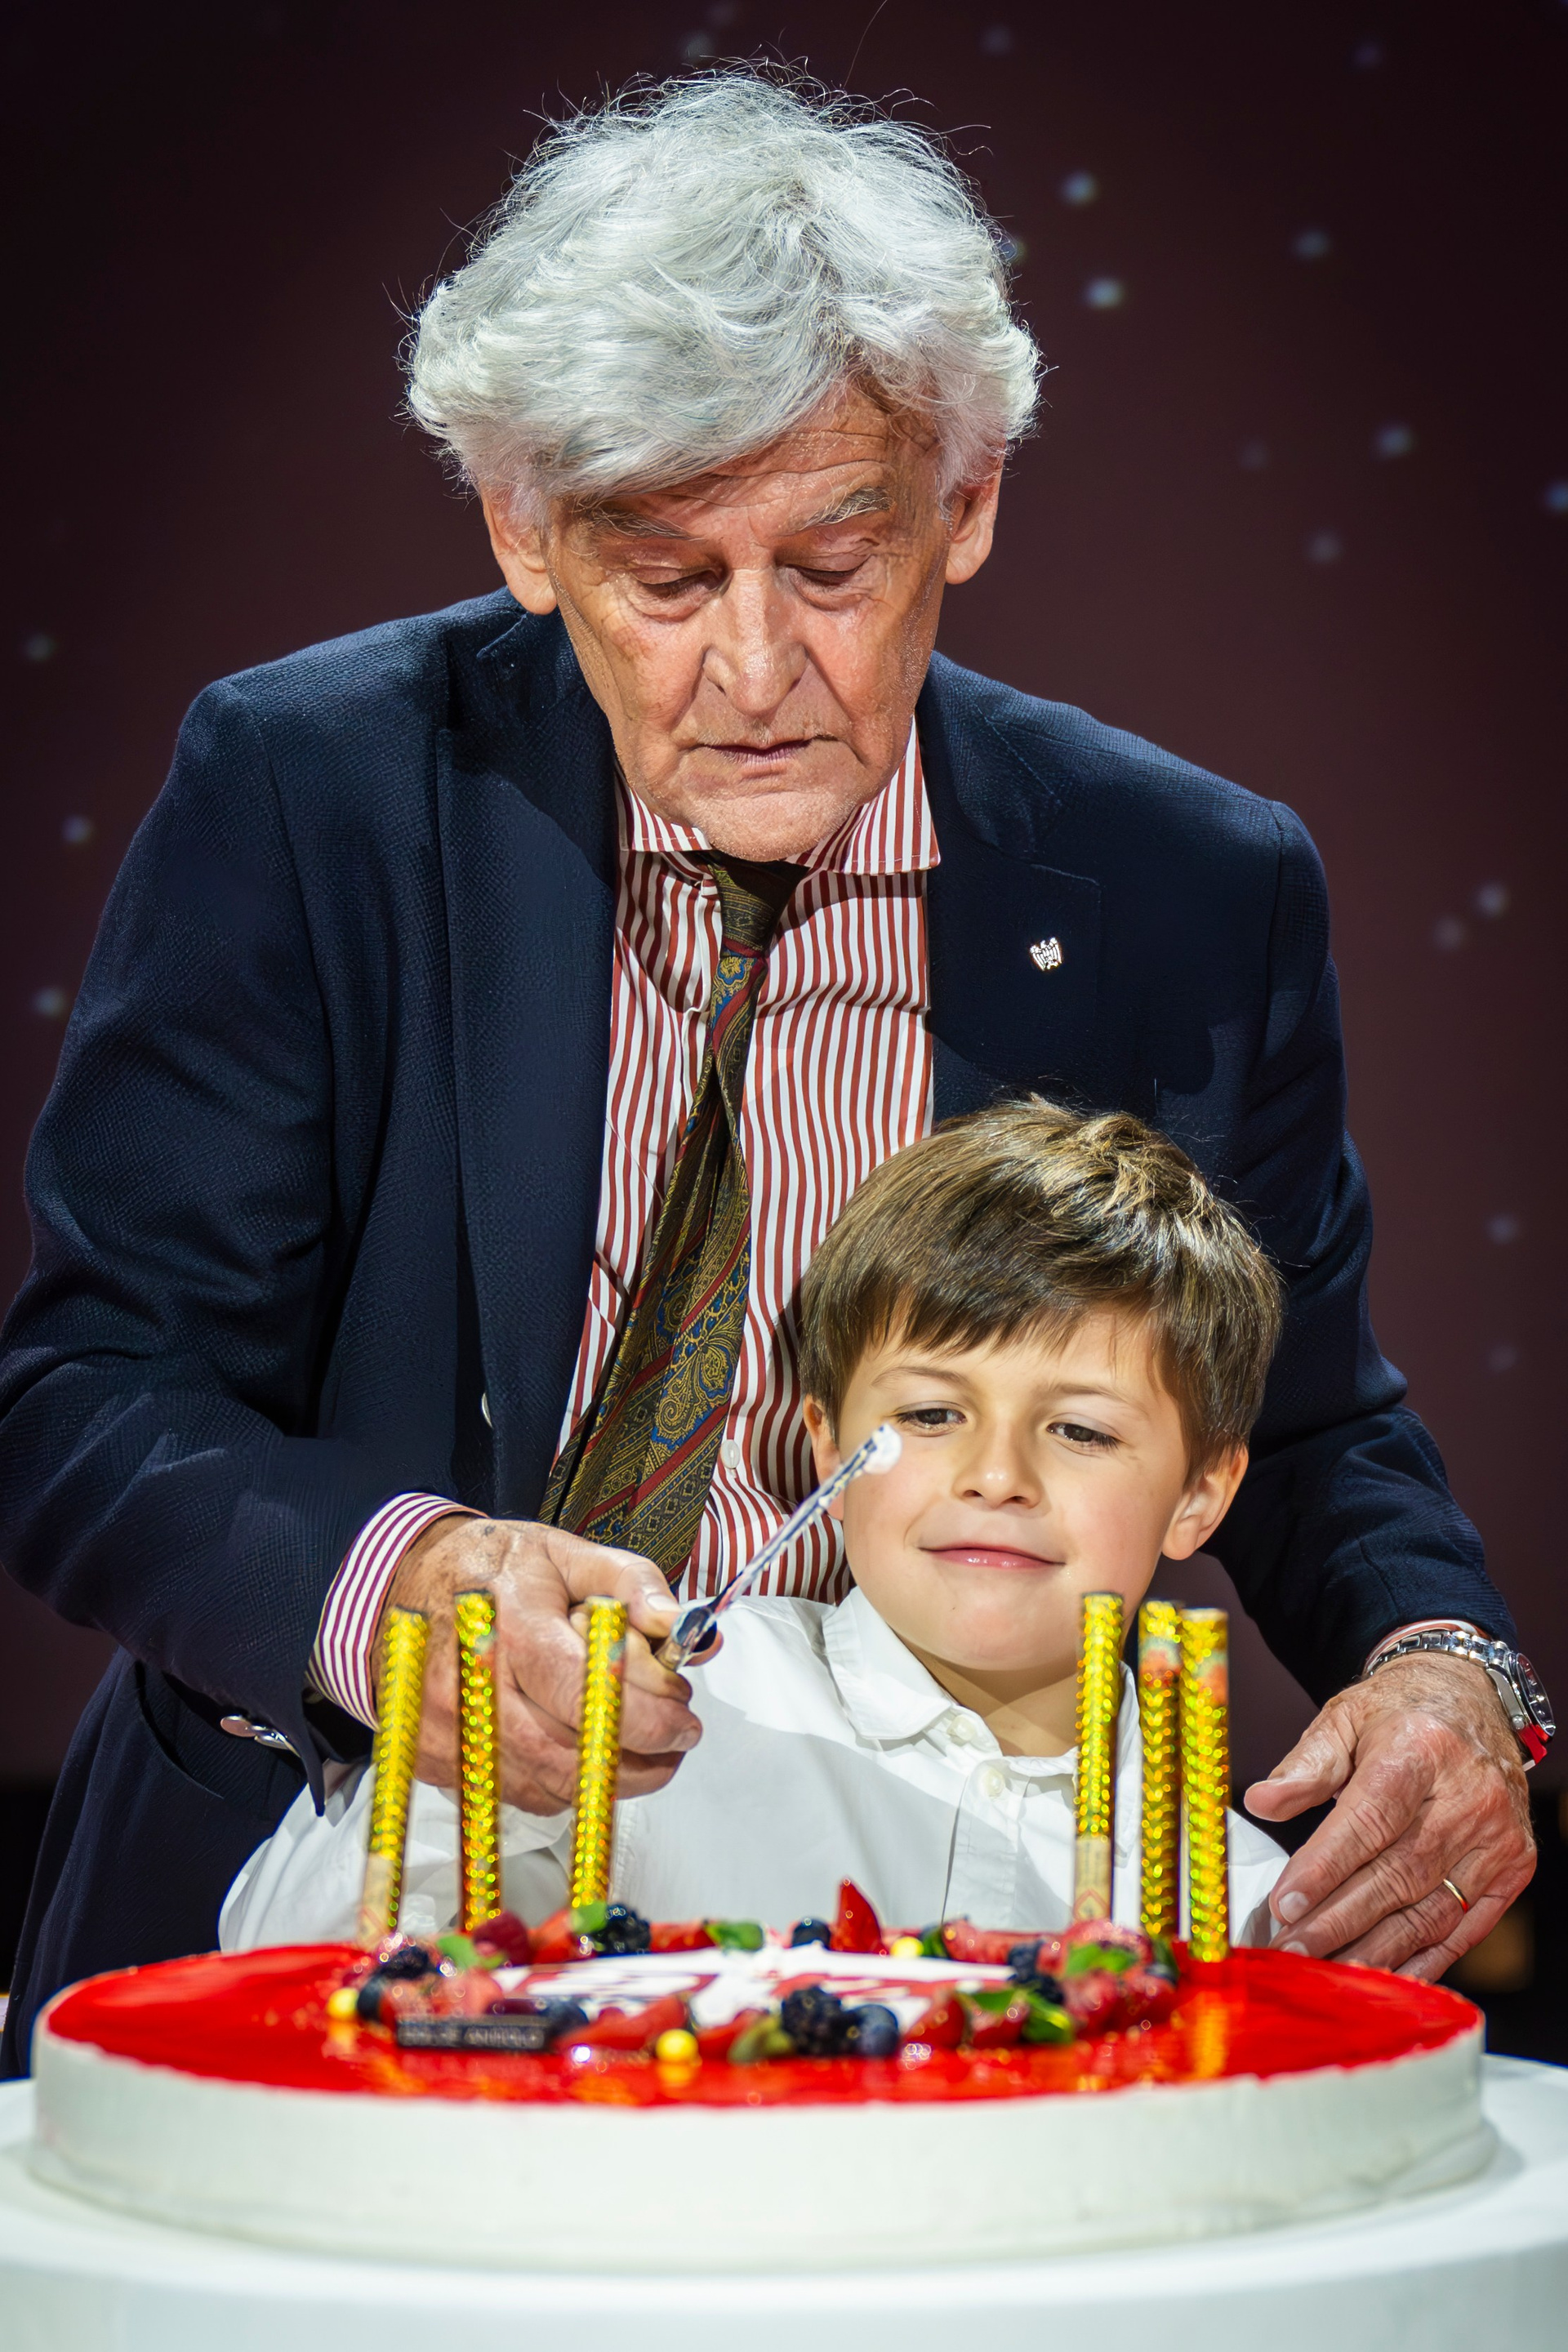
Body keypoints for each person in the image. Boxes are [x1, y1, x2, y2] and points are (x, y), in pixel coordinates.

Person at [0, 74, 1541, 2072]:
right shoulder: (313, 795)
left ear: (966, 506)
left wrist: (1448, 1665)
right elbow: (89, 1399)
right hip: (345, 1891)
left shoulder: (1186, 883)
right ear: (525, 531)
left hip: (943, 1931)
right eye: (666, 579)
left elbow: (1302, 1418)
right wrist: (400, 1585)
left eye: (831, 566)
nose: (752, 671)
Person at [221, 1105, 1288, 1948]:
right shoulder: (663, 1718)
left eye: (1082, 1431)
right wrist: (491, 1756)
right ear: (826, 1443)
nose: (997, 1477)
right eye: (930, 1415)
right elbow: (304, 1953)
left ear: (1201, 1491)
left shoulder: (1248, 1901)